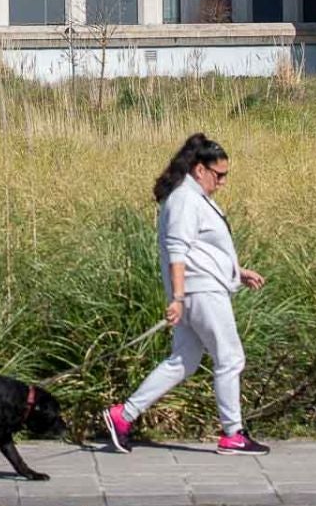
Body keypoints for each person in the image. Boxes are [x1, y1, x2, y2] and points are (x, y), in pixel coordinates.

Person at [101, 133, 269, 456]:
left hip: (199, 288)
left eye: (225, 176)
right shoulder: (184, 200)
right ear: (199, 169)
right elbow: (177, 250)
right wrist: (177, 298)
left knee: (183, 361)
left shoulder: (194, 198)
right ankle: (233, 433)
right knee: (230, 357)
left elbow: (203, 249)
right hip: (200, 292)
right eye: (218, 175)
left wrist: (237, 272)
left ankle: (124, 415)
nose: (222, 182)